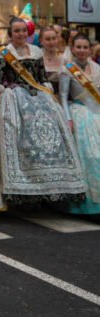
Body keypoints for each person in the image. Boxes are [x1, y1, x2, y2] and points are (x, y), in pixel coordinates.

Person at [0, 18, 86, 206]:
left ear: (28, 33)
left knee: (51, 138)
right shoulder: (3, 53)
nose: (20, 34)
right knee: (22, 141)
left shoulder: (35, 51)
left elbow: (42, 78)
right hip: (14, 98)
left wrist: (52, 102)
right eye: (16, 31)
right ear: (11, 33)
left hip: (38, 97)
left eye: (23, 31)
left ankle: (49, 186)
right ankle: (24, 191)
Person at [58, 33, 100, 214]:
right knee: (90, 156)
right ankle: (89, 205)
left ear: (90, 50)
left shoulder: (97, 68)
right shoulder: (67, 69)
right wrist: (68, 119)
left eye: (85, 47)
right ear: (72, 48)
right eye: (78, 47)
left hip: (97, 112)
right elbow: (62, 96)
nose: (82, 51)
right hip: (78, 113)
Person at [41, 25, 65, 96]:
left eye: (54, 38)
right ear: (41, 41)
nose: (51, 42)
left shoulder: (65, 60)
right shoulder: (36, 58)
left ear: (58, 39)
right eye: (48, 39)